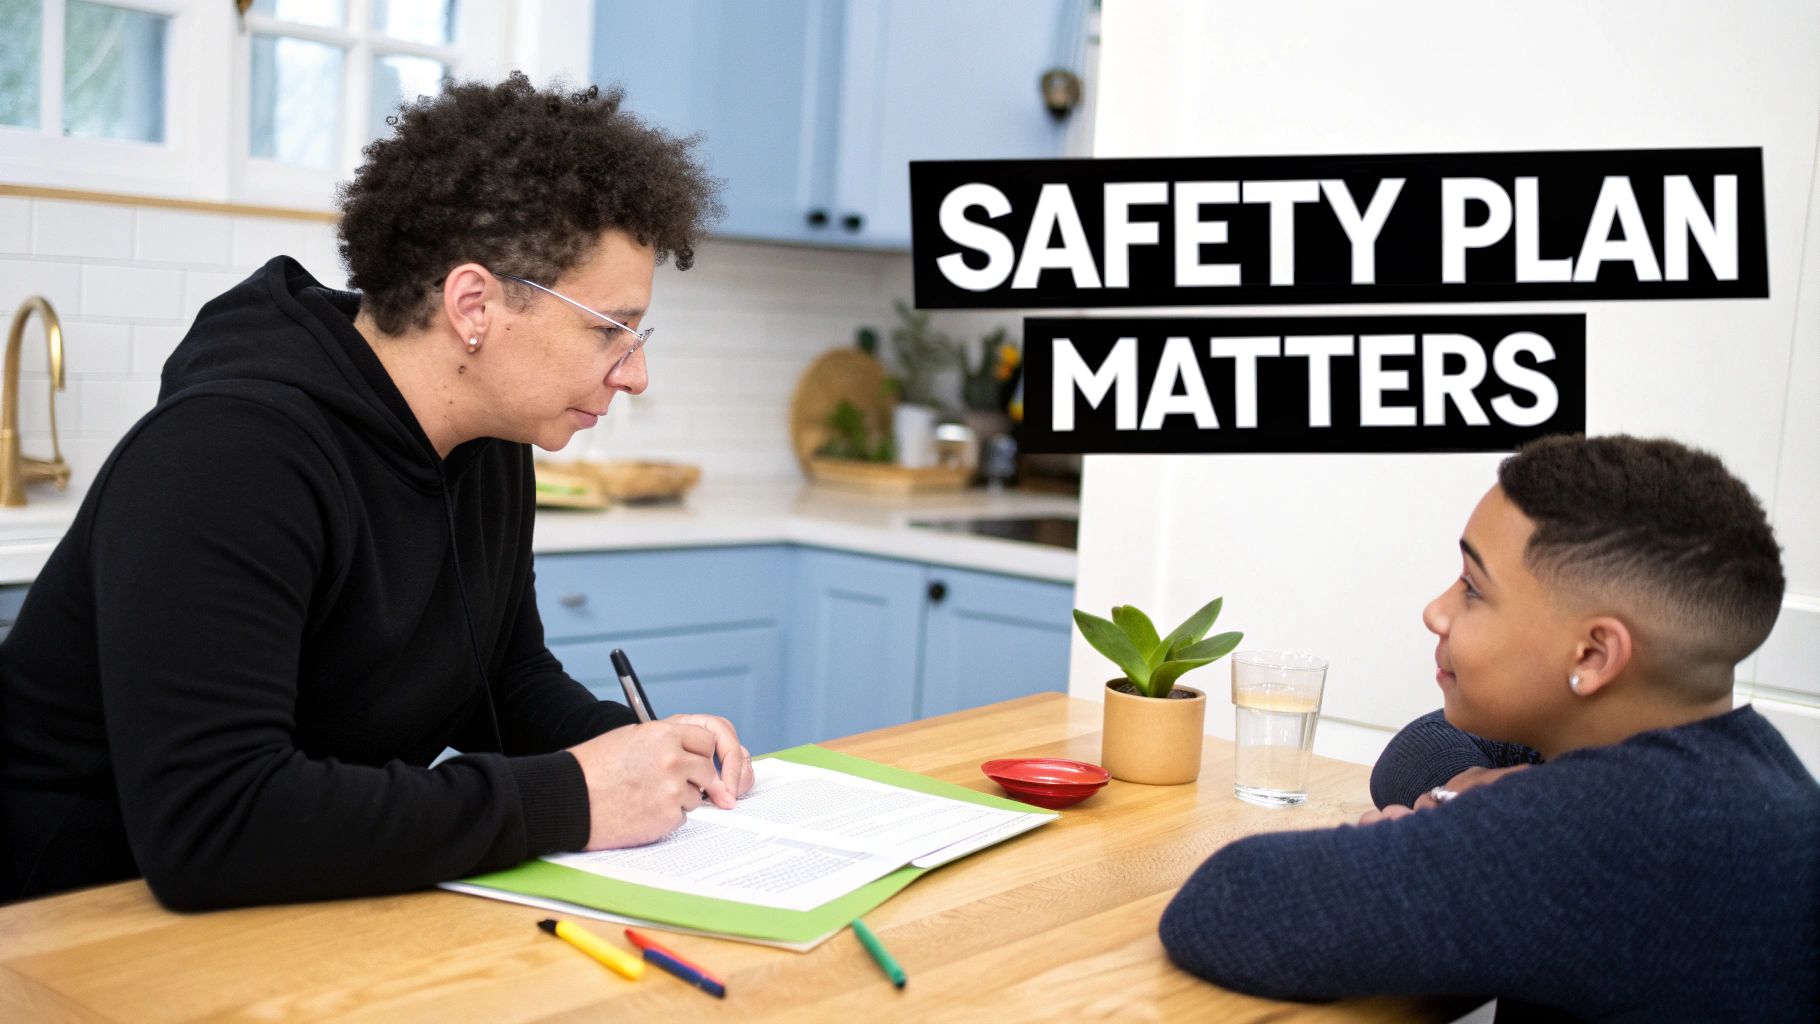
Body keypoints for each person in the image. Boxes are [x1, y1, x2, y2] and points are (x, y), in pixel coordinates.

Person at [0, 73, 756, 909]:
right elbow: (213, 826)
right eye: (609, 329)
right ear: (474, 303)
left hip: (279, 909)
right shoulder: (228, 454)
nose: (635, 373)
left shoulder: (491, 442)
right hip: (65, 920)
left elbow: (498, 678)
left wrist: (638, 753)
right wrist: (572, 797)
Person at [1159, 435, 1819, 1022]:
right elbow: (1417, 752)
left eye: (1473, 588)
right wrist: (1500, 801)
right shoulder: (1752, 774)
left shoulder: (1605, 832)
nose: (1436, 611)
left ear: (1593, 655)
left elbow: (1226, 904)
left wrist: (1487, 825)